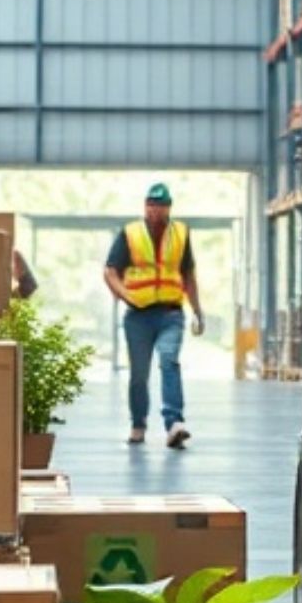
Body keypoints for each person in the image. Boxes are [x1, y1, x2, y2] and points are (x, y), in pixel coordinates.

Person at [103, 182, 205, 448]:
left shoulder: (181, 233)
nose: (155, 211)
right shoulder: (130, 234)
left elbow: (188, 275)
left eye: (160, 206)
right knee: (139, 374)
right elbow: (110, 271)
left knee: (169, 361)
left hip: (171, 313)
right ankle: (138, 424)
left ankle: (174, 424)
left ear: (168, 207)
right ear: (145, 207)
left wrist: (197, 310)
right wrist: (124, 294)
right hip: (138, 315)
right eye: (150, 206)